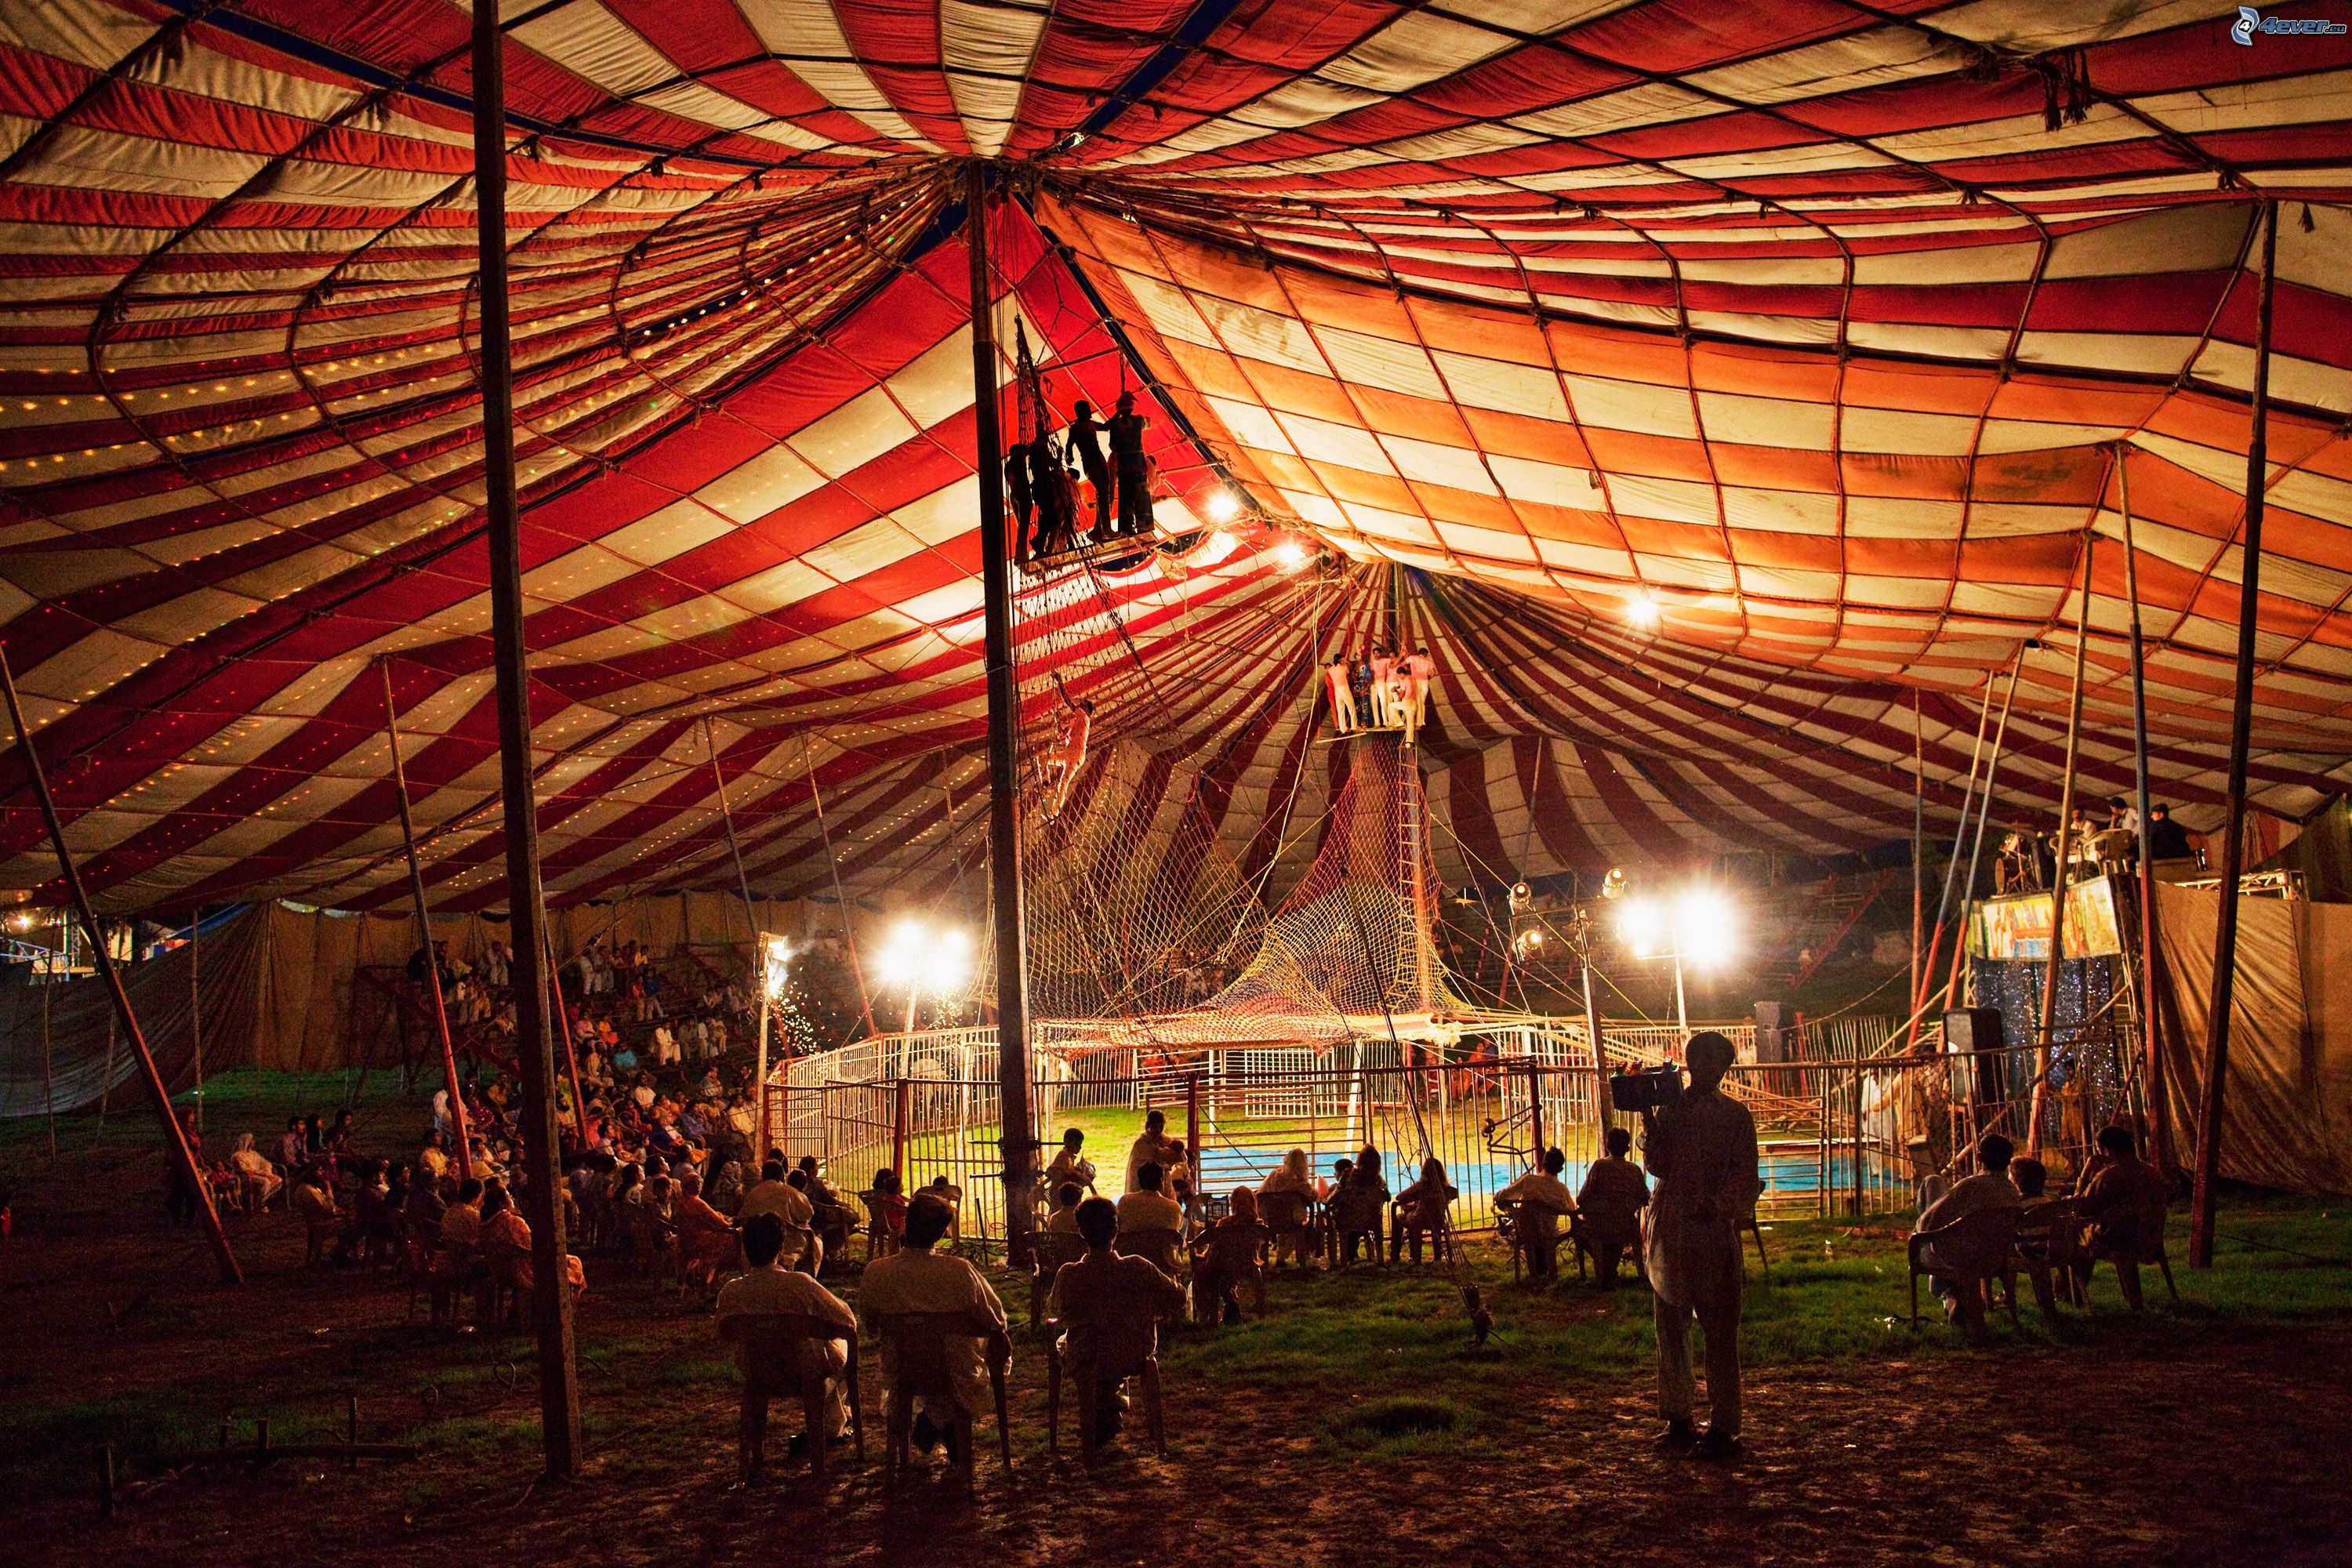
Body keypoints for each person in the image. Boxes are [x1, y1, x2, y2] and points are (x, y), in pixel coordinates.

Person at [1642, 1031, 1761, 1460]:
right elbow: (1658, 1165)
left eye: (1718, 1063)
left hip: (1711, 1229)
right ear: (1691, 1064)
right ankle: (1678, 1418)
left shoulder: (1735, 1116)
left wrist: (1718, 1206)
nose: (1712, 1070)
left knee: (1720, 1331)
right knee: (1671, 1329)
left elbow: (1745, 1176)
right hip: (1674, 1228)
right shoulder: (1672, 1111)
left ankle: (1724, 1426)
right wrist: (1648, 1118)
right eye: (1704, 1061)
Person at [859, 1194, 1009, 1463]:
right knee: (989, 1350)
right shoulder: (959, 1271)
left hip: (903, 1367)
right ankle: (939, 1417)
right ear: (941, 1233)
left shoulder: (876, 1272)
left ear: (906, 1223)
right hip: (956, 1368)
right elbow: (995, 1318)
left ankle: (936, 1418)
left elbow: (870, 1323)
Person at [717, 1212, 857, 1478]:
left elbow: (723, 1332)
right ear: (781, 1248)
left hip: (757, 1370)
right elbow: (847, 1320)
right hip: (804, 1370)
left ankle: (830, 1424)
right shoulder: (799, 1284)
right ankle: (832, 1425)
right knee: (840, 1349)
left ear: (745, 1249)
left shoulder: (732, 1291)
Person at [1051, 1196, 1185, 1448]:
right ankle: (1109, 1407)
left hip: (1087, 1353)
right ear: (1116, 1230)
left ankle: (1105, 1409)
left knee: (1070, 1343)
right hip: (1134, 1350)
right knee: (1113, 1345)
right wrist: (1156, 1312)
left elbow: (1056, 1311)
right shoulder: (1139, 1267)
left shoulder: (1069, 1275)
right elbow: (1178, 1296)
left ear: (1081, 1232)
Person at [1913, 1133, 2023, 1322]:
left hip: (1962, 1257)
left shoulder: (1969, 1186)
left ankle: (1951, 1295)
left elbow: (1926, 1224)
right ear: (2008, 1161)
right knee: (1934, 1181)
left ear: (1979, 1157)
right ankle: (1953, 1297)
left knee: (1931, 1183)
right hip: (1996, 1256)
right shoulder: (2012, 1192)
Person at [2076, 1124, 2171, 1309]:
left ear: (2107, 1150)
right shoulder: (2150, 1171)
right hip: (2149, 1238)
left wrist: (2086, 1174)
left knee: (2075, 1237)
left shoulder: (2108, 1176)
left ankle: (2072, 1296)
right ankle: (2131, 1296)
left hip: (2117, 1241)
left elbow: (2082, 1208)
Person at [1575, 1126, 1650, 1287]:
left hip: (1599, 1224)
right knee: (1617, 1236)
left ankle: (1605, 1270)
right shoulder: (1635, 1170)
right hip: (1625, 1223)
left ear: (1608, 1146)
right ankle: (1618, 1270)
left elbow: (1582, 1197)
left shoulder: (1600, 1166)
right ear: (1627, 1148)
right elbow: (1646, 1198)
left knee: (1579, 1231)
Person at [1189, 1187, 1269, 1323]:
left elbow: (1214, 1251)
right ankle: (1232, 1304)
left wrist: (1200, 1254)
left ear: (1233, 1203)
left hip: (1222, 1266)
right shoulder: (1259, 1225)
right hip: (1248, 1264)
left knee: (1202, 1271)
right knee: (1228, 1275)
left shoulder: (1224, 1223)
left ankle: (1207, 1312)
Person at [1497, 1147, 1575, 1279]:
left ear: (1543, 1164)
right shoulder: (1561, 1189)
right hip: (1548, 1233)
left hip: (1526, 1232)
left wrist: (1501, 1200)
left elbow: (1502, 1196)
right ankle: (1550, 1273)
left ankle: (1534, 1275)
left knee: (1530, 1234)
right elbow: (1572, 1210)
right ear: (1561, 1169)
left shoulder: (1528, 1181)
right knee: (1555, 1232)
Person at [739, 1159, 818, 1272]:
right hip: (787, 1244)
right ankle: (805, 1275)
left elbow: (742, 1217)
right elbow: (808, 1213)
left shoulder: (752, 1194)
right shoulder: (790, 1192)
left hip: (757, 1244)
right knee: (817, 1243)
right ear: (782, 1176)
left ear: (763, 1176)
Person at [674, 1171, 740, 1294]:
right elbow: (721, 1224)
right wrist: (730, 1221)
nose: (699, 1185)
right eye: (696, 1183)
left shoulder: (681, 1202)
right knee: (737, 1235)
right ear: (688, 1186)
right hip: (701, 1242)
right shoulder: (697, 1203)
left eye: (699, 1182)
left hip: (685, 1241)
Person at [1115, 1161, 1185, 1273]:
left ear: (1139, 1181)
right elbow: (1176, 1232)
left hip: (1130, 1266)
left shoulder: (1125, 1202)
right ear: (1161, 1182)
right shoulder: (1173, 1207)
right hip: (1164, 1267)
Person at [1330, 1146, 1388, 1267]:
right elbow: (1387, 1197)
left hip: (1348, 1220)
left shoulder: (1347, 1176)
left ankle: (1342, 1261)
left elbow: (1336, 1195)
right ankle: (1380, 1259)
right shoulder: (1378, 1181)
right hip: (1372, 1220)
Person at [1391, 1156, 1456, 1265]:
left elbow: (1399, 1197)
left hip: (1420, 1218)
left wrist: (1411, 1206)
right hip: (1438, 1219)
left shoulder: (1421, 1185)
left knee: (1400, 1217)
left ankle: (1396, 1255)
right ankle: (1436, 1257)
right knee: (1411, 1214)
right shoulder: (1445, 1188)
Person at [1258, 1149, 1316, 1268]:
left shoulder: (1274, 1176)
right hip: (1293, 1222)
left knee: (1283, 1228)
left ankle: (1278, 1256)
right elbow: (1313, 1196)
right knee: (1294, 1231)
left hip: (1270, 1220)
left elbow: (1261, 1194)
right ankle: (1282, 1256)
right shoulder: (1301, 1184)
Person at [1107, 390, 1151, 536]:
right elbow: (1149, 423)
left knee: (1126, 499)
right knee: (1142, 498)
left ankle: (1126, 528)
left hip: (1124, 470)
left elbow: (1113, 446)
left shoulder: (1114, 425)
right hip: (1139, 469)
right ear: (1132, 407)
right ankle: (1144, 526)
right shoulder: (1139, 420)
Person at [1069, 398, 1112, 539]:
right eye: (1087, 409)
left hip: (1100, 461)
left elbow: (1105, 427)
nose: (1090, 412)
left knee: (1104, 493)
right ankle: (1105, 528)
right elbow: (1069, 445)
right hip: (1090, 464)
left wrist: (1119, 413)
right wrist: (1069, 456)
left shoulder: (1091, 424)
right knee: (1103, 491)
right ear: (1080, 412)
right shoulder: (1075, 428)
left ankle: (1099, 528)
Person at [1043, 695, 1092, 820]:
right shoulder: (1074, 721)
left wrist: (1060, 686)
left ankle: (1054, 813)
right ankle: (1046, 780)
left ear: (1086, 709)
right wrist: (1057, 720)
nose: (1079, 706)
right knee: (1044, 758)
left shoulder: (1084, 718)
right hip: (1067, 752)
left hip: (1077, 754)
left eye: (1082, 705)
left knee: (1064, 781)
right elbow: (1061, 736)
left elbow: (1068, 701)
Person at [1125, 1109, 1181, 1192]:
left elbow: (1181, 1157)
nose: (1158, 1130)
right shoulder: (1141, 1144)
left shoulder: (1164, 1140)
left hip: (1161, 1183)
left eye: (1161, 1127)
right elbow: (1137, 1170)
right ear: (1148, 1126)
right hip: (1143, 1186)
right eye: (1155, 1127)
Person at [229, 1132, 282, 1212]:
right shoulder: (238, 1155)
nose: (254, 1142)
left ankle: (261, 1200)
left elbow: (265, 1163)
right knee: (265, 1181)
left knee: (279, 1180)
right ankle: (260, 1204)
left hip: (258, 1174)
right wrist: (263, 1174)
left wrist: (267, 1171)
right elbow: (243, 1169)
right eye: (252, 1140)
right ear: (248, 1142)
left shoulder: (253, 1153)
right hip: (245, 1176)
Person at [1325, 655, 1357, 734]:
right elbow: (1348, 671)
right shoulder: (1344, 667)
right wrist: (1345, 663)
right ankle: (1354, 726)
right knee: (1351, 707)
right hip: (1344, 688)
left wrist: (1342, 662)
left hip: (1337, 690)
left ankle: (1343, 728)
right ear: (1340, 660)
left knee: (1340, 710)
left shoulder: (1331, 670)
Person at [1367, 646, 1396, 728]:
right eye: (1375, 653)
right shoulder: (1372, 662)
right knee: (1374, 703)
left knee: (1383, 702)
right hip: (1373, 684)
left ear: (1380, 654)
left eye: (1378, 653)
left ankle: (1386, 721)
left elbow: (1394, 661)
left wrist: (1402, 653)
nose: (1376, 655)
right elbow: (1369, 673)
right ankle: (1377, 723)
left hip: (1381, 683)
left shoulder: (1385, 660)